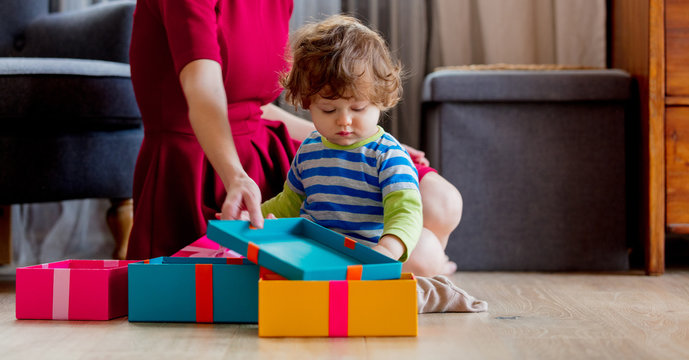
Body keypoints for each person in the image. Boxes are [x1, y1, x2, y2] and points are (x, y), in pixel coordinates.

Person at [126, 0, 462, 277]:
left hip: (265, 145)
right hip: (204, 159)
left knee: (442, 202)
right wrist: (235, 176)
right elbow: (204, 93)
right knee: (417, 255)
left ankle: (401, 276)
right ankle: (394, 276)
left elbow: (255, 107)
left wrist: (363, 139)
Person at [260, 14, 455, 274]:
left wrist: (388, 249)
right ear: (307, 104)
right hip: (323, 250)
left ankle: (434, 268)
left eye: (358, 108)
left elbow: (405, 212)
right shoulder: (309, 150)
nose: (344, 120)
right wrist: (254, 218)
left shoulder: (387, 155)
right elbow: (288, 202)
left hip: (370, 251)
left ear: (380, 100)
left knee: (425, 256)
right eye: (328, 110)